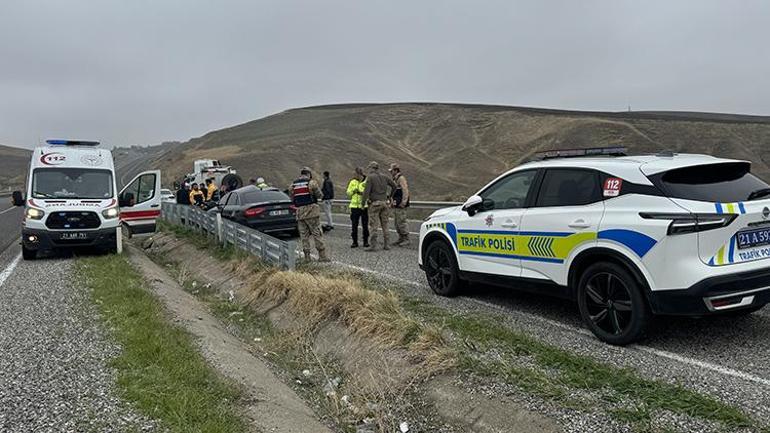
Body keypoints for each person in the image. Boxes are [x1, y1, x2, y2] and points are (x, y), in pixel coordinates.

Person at [289, 167, 330, 262]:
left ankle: (307, 257)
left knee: (304, 235)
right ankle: (322, 256)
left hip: (300, 212)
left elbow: (292, 199)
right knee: (317, 233)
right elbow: (320, 195)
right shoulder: (311, 183)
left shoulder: (293, 185)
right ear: (309, 174)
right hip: (311, 212)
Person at [362, 161, 397, 251]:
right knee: (385, 225)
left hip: (375, 204)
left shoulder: (370, 178)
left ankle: (373, 246)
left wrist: (363, 203)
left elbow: (366, 192)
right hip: (385, 203)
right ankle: (387, 244)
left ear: (372, 168)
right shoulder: (384, 177)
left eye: (369, 168)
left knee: (374, 225)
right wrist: (390, 196)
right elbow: (394, 186)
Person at [346, 167, 369, 248]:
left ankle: (365, 241)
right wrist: (353, 191)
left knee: (365, 225)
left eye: (355, 173)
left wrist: (361, 193)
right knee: (354, 225)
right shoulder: (352, 182)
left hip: (364, 206)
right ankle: (354, 242)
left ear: (359, 174)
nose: (354, 175)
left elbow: (368, 192)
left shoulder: (366, 181)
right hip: (354, 206)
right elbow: (348, 192)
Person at [389, 163, 411, 246]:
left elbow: (405, 190)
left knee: (401, 221)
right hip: (396, 204)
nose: (391, 172)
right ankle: (401, 238)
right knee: (397, 222)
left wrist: (404, 202)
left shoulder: (401, 178)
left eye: (392, 171)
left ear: (395, 170)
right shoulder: (395, 179)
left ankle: (406, 238)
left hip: (401, 205)